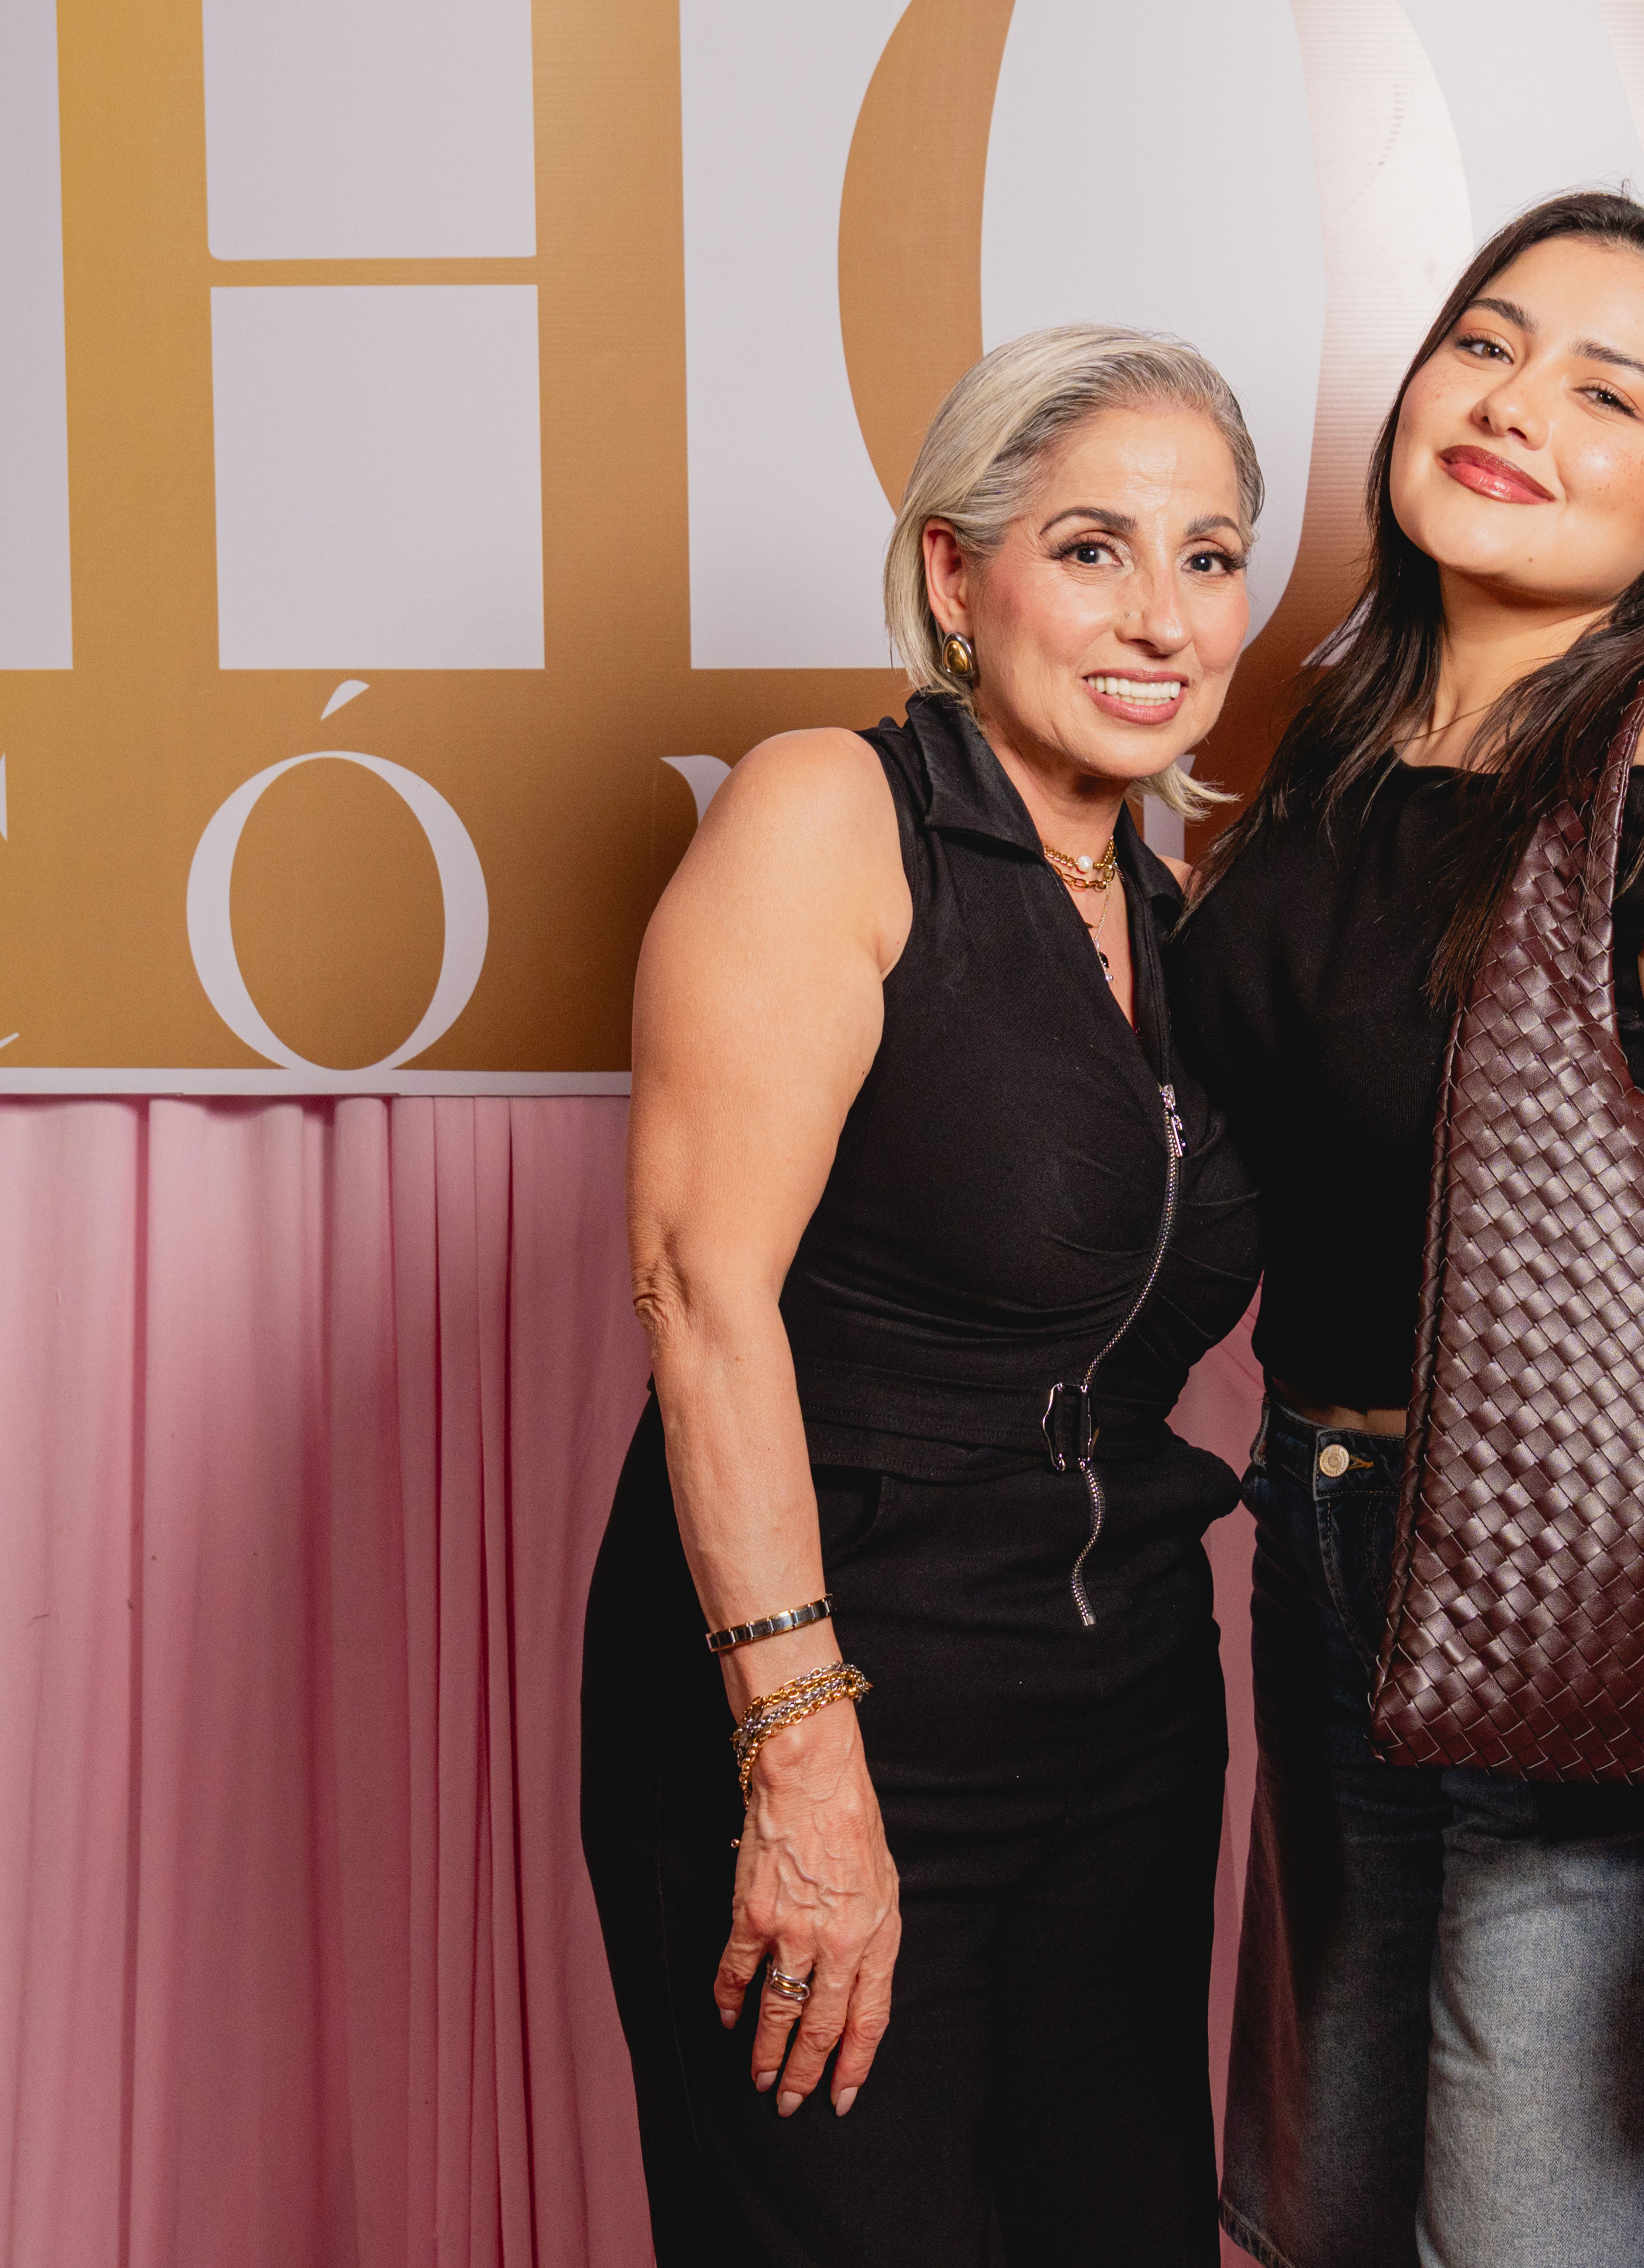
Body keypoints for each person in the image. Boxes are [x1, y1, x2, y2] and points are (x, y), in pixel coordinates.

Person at [1169, 192, 1644, 2267]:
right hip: (1336, 1573)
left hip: (1623, 1635)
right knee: (1329, 2227)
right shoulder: (1337, 751)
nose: (1510, 405)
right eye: (1485, 345)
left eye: (1608, 391)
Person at [581, 324, 1267, 2267]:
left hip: (1125, 1718)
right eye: (1091, 548)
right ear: (956, 577)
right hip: (832, 1697)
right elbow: (699, 1287)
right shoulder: (833, 812)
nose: (1160, 617)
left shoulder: (1172, 916)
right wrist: (801, 1753)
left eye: (1209, 557)